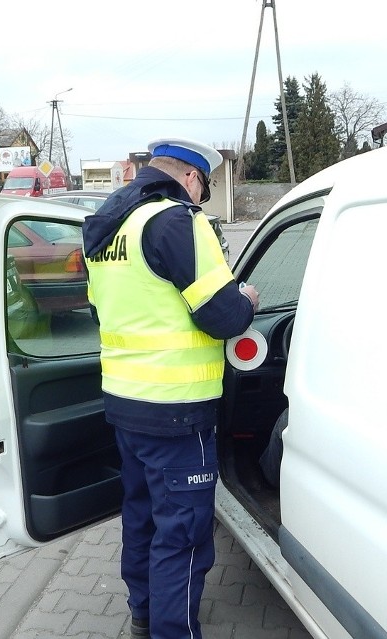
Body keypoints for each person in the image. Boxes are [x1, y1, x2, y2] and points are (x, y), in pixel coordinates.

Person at [81, 138, 259, 639]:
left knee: (140, 516)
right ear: (189, 178)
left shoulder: (108, 229)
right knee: (182, 536)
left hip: (124, 402)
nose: (201, 198)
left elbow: (104, 312)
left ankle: (143, 614)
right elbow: (222, 317)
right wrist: (245, 297)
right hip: (178, 411)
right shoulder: (178, 221)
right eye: (203, 187)